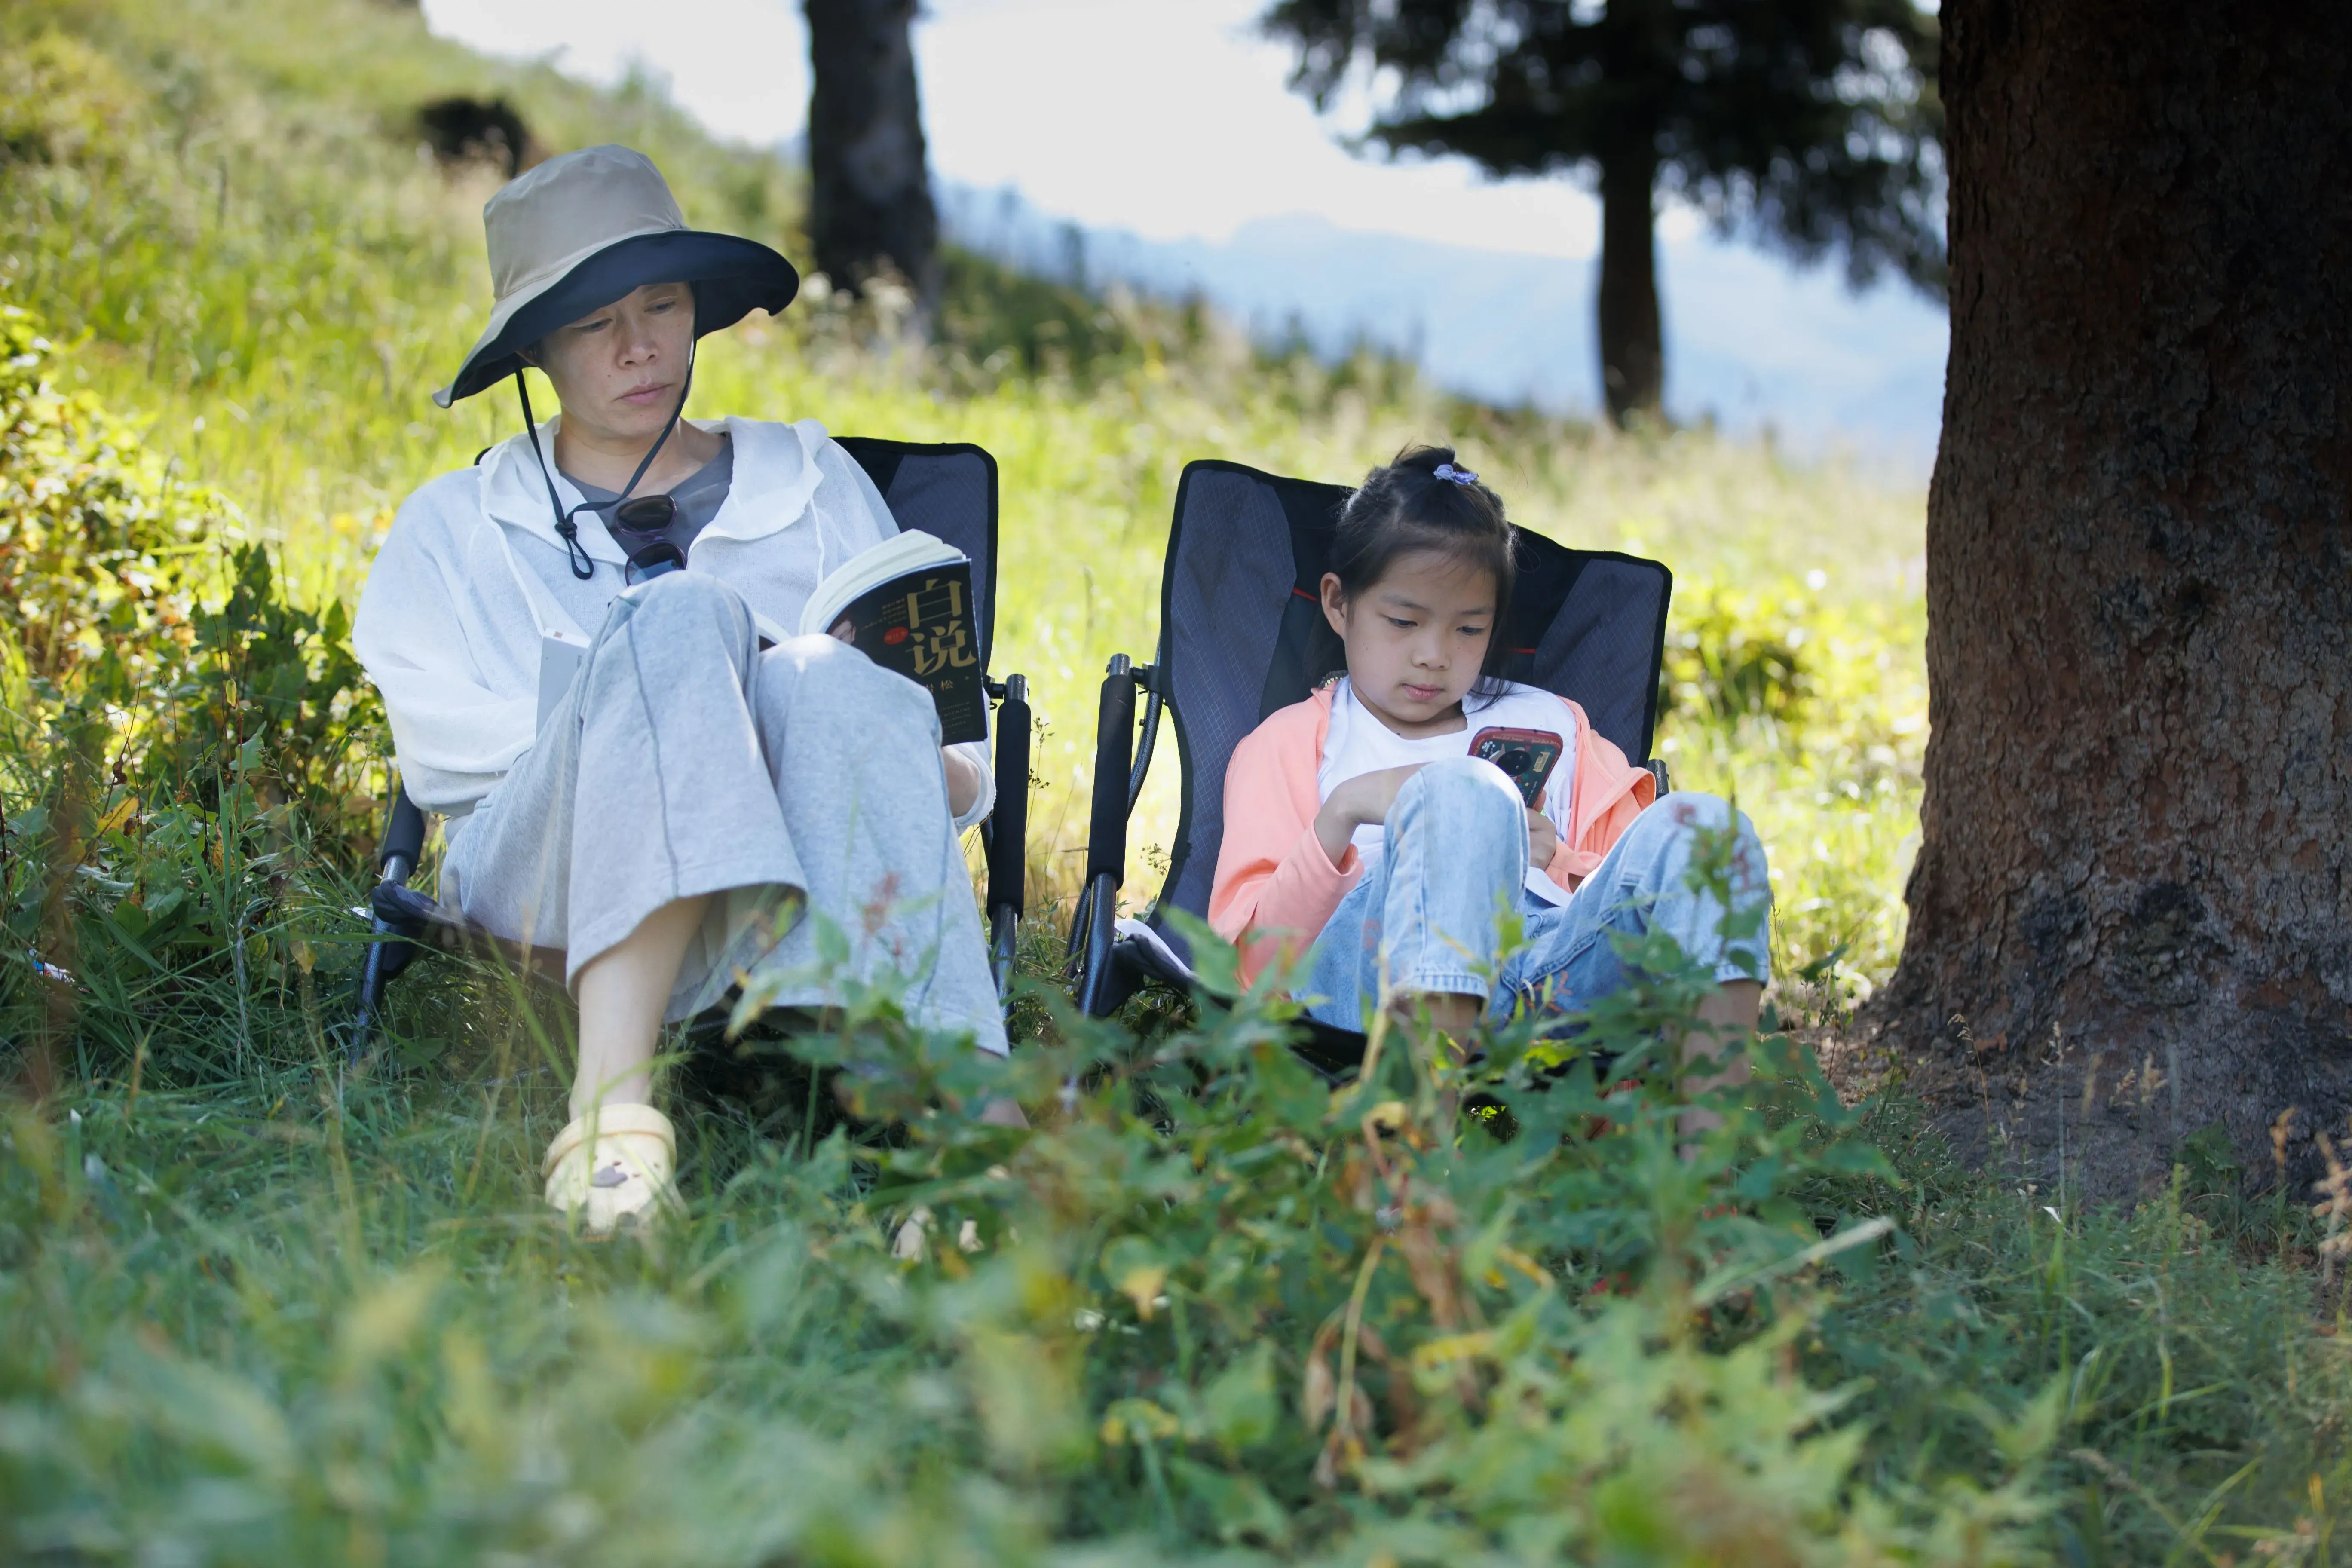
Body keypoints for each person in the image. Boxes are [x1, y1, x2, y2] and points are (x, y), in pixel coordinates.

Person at [355, 145, 1018, 1236]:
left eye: (661, 305)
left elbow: (950, 773)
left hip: (804, 873)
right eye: (591, 324)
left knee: (818, 670)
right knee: (678, 615)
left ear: (698, 310)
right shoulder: (455, 525)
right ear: (534, 348)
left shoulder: (809, 481)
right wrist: (680, 700)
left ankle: (974, 1155)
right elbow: (444, 761)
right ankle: (612, 1121)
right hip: (550, 879)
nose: (637, 347)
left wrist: (816, 708)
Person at [1207, 446, 1771, 1112]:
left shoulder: (1554, 725)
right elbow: (1245, 967)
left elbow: (1639, 887)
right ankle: (1422, 1180)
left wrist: (1552, 855)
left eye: (1469, 629)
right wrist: (1347, 811)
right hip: (1366, 980)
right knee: (1465, 796)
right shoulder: (1295, 742)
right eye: (1404, 622)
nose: (1433, 655)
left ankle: (1708, 1190)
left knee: (1706, 832)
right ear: (1340, 604)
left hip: (1542, 978)